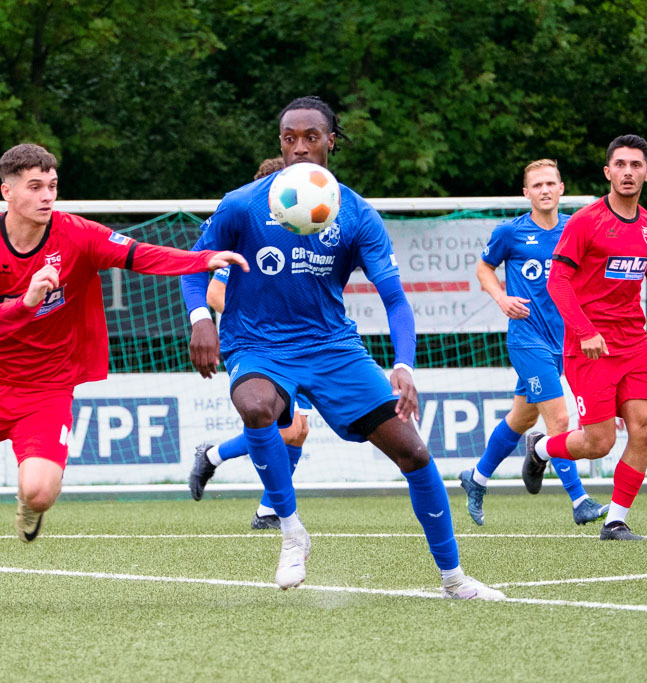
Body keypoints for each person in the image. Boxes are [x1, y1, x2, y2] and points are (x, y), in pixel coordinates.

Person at [180, 96, 503, 598]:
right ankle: (291, 532)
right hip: (258, 344)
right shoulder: (242, 204)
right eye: (290, 138)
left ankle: (454, 578)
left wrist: (404, 366)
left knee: (415, 454)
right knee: (255, 405)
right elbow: (194, 269)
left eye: (312, 137)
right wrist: (202, 319)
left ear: (331, 140)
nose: (300, 148)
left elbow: (395, 299)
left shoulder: (357, 215)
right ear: (280, 144)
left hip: (333, 347)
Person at [0, 143, 248, 611]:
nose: (48, 196)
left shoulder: (77, 234)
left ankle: (28, 505)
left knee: (41, 492)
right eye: (35, 187)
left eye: (52, 186)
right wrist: (24, 303)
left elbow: (138, 254)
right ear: (6, 192)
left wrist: (202, 260)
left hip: (47, 388)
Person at [523, 134, 647, 541]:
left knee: (645, 428)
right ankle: (541, 448)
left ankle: (615, 520)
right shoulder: (586, 222)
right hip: (588, 346)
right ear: (608, 172)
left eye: (636, 165)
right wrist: (586, 331)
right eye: (620, 164)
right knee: (598, 442)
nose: (628, 172)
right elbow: (557, 282)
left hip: (633, 343)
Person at [459, 160, 608, 526]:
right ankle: (580, 501)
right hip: (528, 340)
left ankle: (476, 479)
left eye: (550, 184)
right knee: (558, 418)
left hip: (566, 342)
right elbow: (483, 269)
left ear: (561, 189)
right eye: (536, 185)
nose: (544, 190)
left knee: (522, 417)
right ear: (526, 193)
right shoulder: (510, 232)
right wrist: (502, 298)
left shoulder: (576, 230)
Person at [189, 156, 312, 530]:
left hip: (305, 343)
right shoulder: (247, 234)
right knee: (287, 428)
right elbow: (212, 290)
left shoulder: (308, 230)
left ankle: (265, 505)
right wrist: (262, 313)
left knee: (297, 430)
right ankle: (225, 466)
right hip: (258, 345)